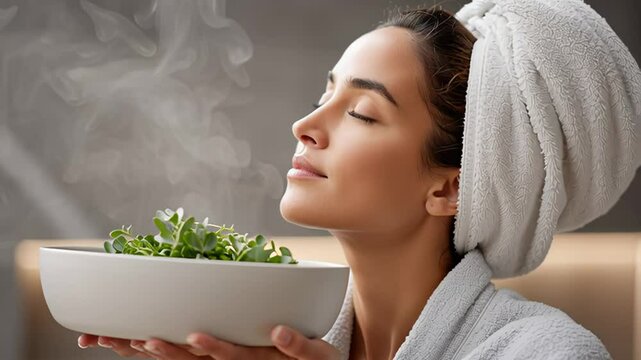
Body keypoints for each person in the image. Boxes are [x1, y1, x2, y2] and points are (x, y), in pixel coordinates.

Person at [79, 0, 641, 358]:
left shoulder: (548, 351)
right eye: (326, 94)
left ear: (449, 188)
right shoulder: (277, 340)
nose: (304, 126)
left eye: (362, 114)